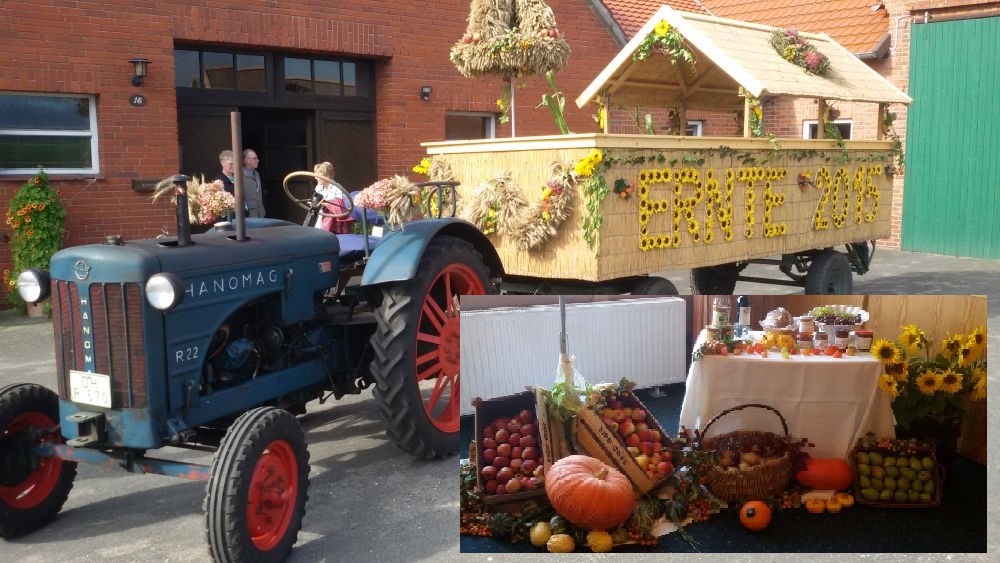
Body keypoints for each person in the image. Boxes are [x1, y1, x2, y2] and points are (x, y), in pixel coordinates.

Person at [313, 161, 354, 234]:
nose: (315, 178)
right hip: (321, 219)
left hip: (334, 224)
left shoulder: (337, 189)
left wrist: (326, 204)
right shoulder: (318, 188)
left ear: (326, 176)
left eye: (318, 176)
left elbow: (342, 208)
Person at [242, 149, 266, 218]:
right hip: (249, 213)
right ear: (247, 160)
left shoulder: (256, 173)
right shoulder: (239, 175)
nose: (258, 160)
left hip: (260, 212)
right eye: (255, 158)